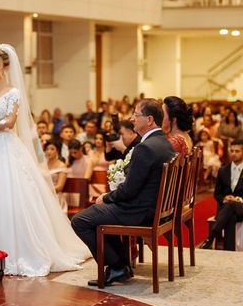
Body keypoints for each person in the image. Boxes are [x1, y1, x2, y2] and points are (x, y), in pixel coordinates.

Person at [0, 44, 88, 276]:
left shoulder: (13, 93)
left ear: (6, 67)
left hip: (5, 147)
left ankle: (13, 249)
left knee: (7, 195)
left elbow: (9, 123)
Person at [71, 99, 176, 287]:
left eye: (136, 115)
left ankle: (118, 266)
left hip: (138, 211)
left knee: (80, 221)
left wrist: (106, 197)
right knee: (99, 216)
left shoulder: (145, 148)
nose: (131, 118)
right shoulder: (164, 143)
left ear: (150, 119)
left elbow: (129, 191)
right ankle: (120, 266)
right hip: (153, 208)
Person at [200, 139, 243, 251]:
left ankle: (211, 237)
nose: (233, 153)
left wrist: (239, 199)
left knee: (233, 205)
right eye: (231, 151)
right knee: (230, 215)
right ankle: (229, 251)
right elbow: (217, 194)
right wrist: (224, 198)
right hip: (226, 209)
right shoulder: (223, 171)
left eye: (237, 151)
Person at [44, 140, 68, 212]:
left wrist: (44, 191)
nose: (49, 151)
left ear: (57, 151)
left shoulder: (61, 165)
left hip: (55, 195)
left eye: (52, 149)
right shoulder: (43, 164)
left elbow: (59, 187)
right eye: (47, 149)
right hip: (43, 195)